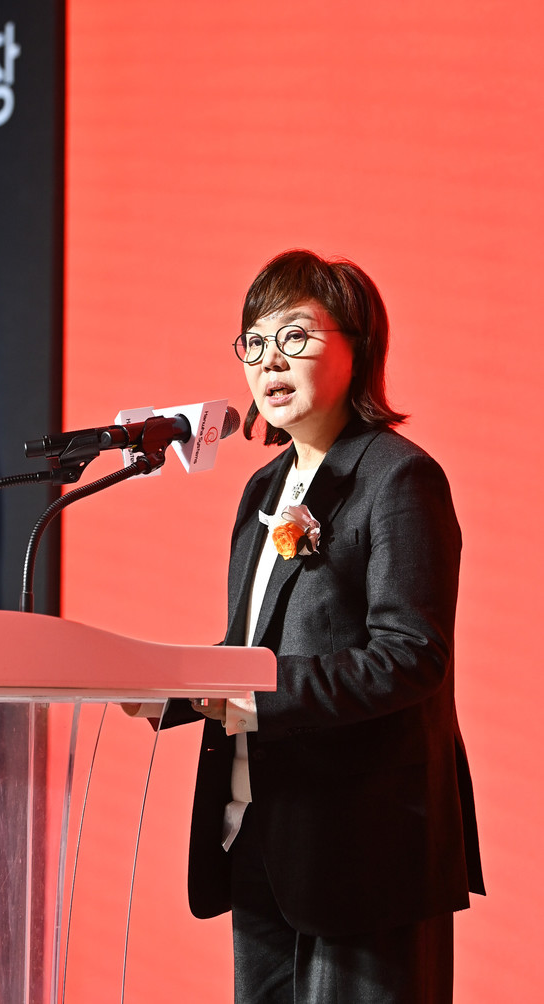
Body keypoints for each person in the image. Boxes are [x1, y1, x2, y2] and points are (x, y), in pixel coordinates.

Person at [127, 249, 484, 1003]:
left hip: (364, 847)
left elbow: (410, 656)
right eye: (254, 342)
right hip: (259, 828)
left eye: (295, 336)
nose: (269, 361)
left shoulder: (399, 478)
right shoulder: (264, 487)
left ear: (359, 347)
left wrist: (253, 694)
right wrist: (165, 689)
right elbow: (250, 649)